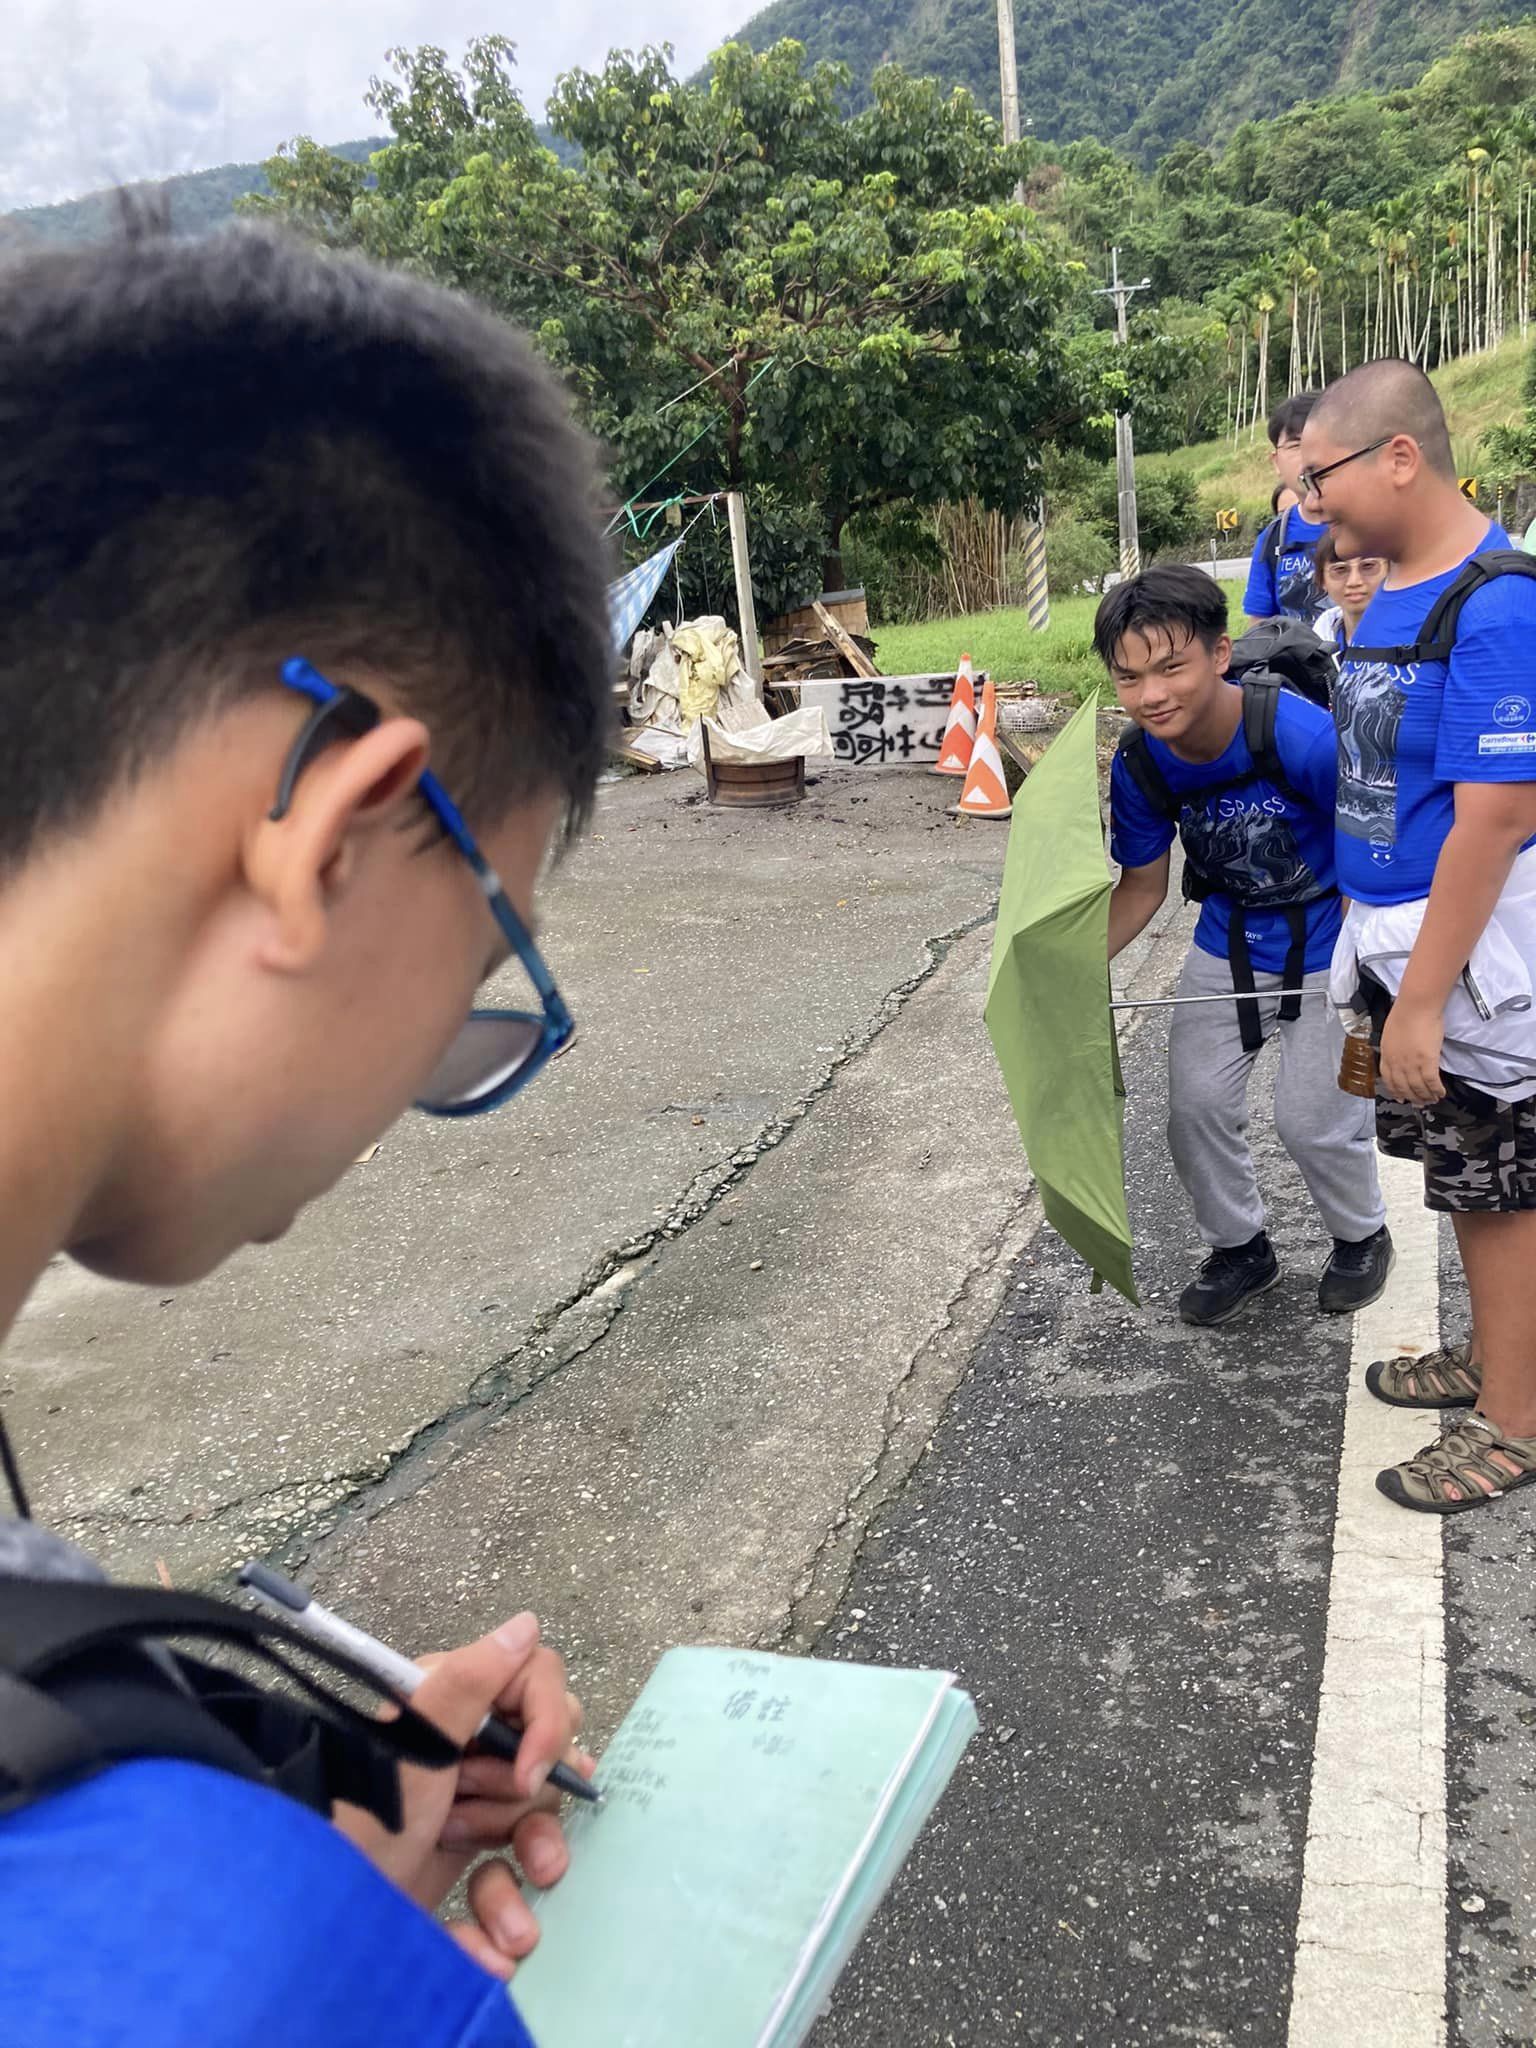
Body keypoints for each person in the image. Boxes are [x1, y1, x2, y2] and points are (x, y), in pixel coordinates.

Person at [0, 223, 614, 2042]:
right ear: (329, 830)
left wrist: (294, 1816)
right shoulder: (243, 1969)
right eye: (480, 964)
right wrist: (313, 1939)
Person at [1299, 358, 1536, 1514]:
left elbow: (1497, 816)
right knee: (1469, 1180)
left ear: (1398, 456)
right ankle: (1494, 1359)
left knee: (1507, 1173)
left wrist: (1430, 999)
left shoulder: (1497, 601)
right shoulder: (1394, 591)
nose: (1311, 506)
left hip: (1475, 964)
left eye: (1321, 478)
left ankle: (1515, 1418)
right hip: (1400, 943)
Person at [1100, 566, 1391, 1326]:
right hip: (1227, 940)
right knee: (1193, 1109)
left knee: (1312, 1119)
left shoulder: (1298, 735)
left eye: (1171, 667)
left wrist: (1384, 968)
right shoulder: (1139, 763)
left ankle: (1361, 1236)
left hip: (1332, 942)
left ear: (1219, 654)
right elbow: (1140, 887)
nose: (1151, 694)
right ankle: (1241, 1249)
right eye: (1128, 678)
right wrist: (1065, 967)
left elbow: (1376, 848)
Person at [1245, 394, 1330, 624]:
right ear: (1276, 462)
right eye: (1295, 445)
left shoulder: (1373, 523)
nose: (1308, 456)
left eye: (1318, 441)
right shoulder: (1272, 540)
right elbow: (1260, 628)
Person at [1311, 531, 1387, 653]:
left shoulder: (1416, 636)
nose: (1354, 581)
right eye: (1340, 569)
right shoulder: (1319, 638)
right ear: (1321, 579)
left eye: (1368, 566)